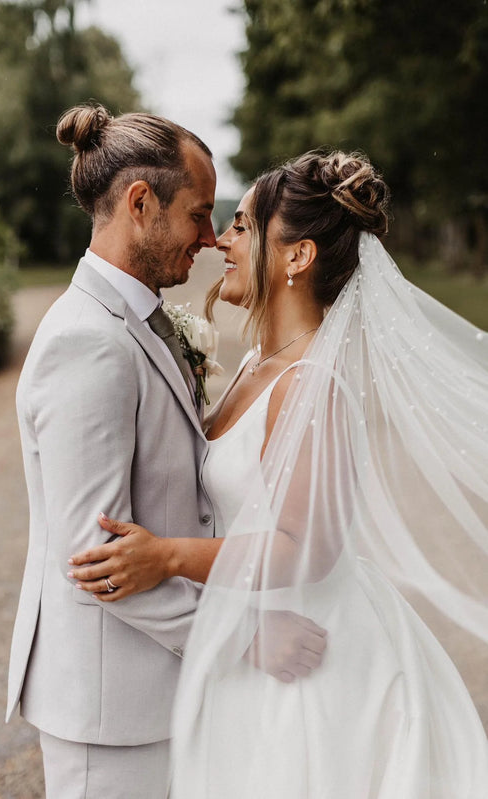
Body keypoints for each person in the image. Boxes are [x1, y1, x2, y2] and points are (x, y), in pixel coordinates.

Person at [69, 149, 488, 797]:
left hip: (314, 651)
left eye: (239, 226)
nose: (219, 241)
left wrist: (168, 556)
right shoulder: (257, 364)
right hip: (255, 632)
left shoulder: (310, 382)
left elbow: (307, 550)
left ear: (297, 256)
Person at [6, 103, 221, 799]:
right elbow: (94, 559)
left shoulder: (134, 322)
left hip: (148, 694)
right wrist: (235, 641)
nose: (210, 238)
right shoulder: (87, 341)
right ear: (139, 203)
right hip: (110, 711)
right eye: (198, 213)